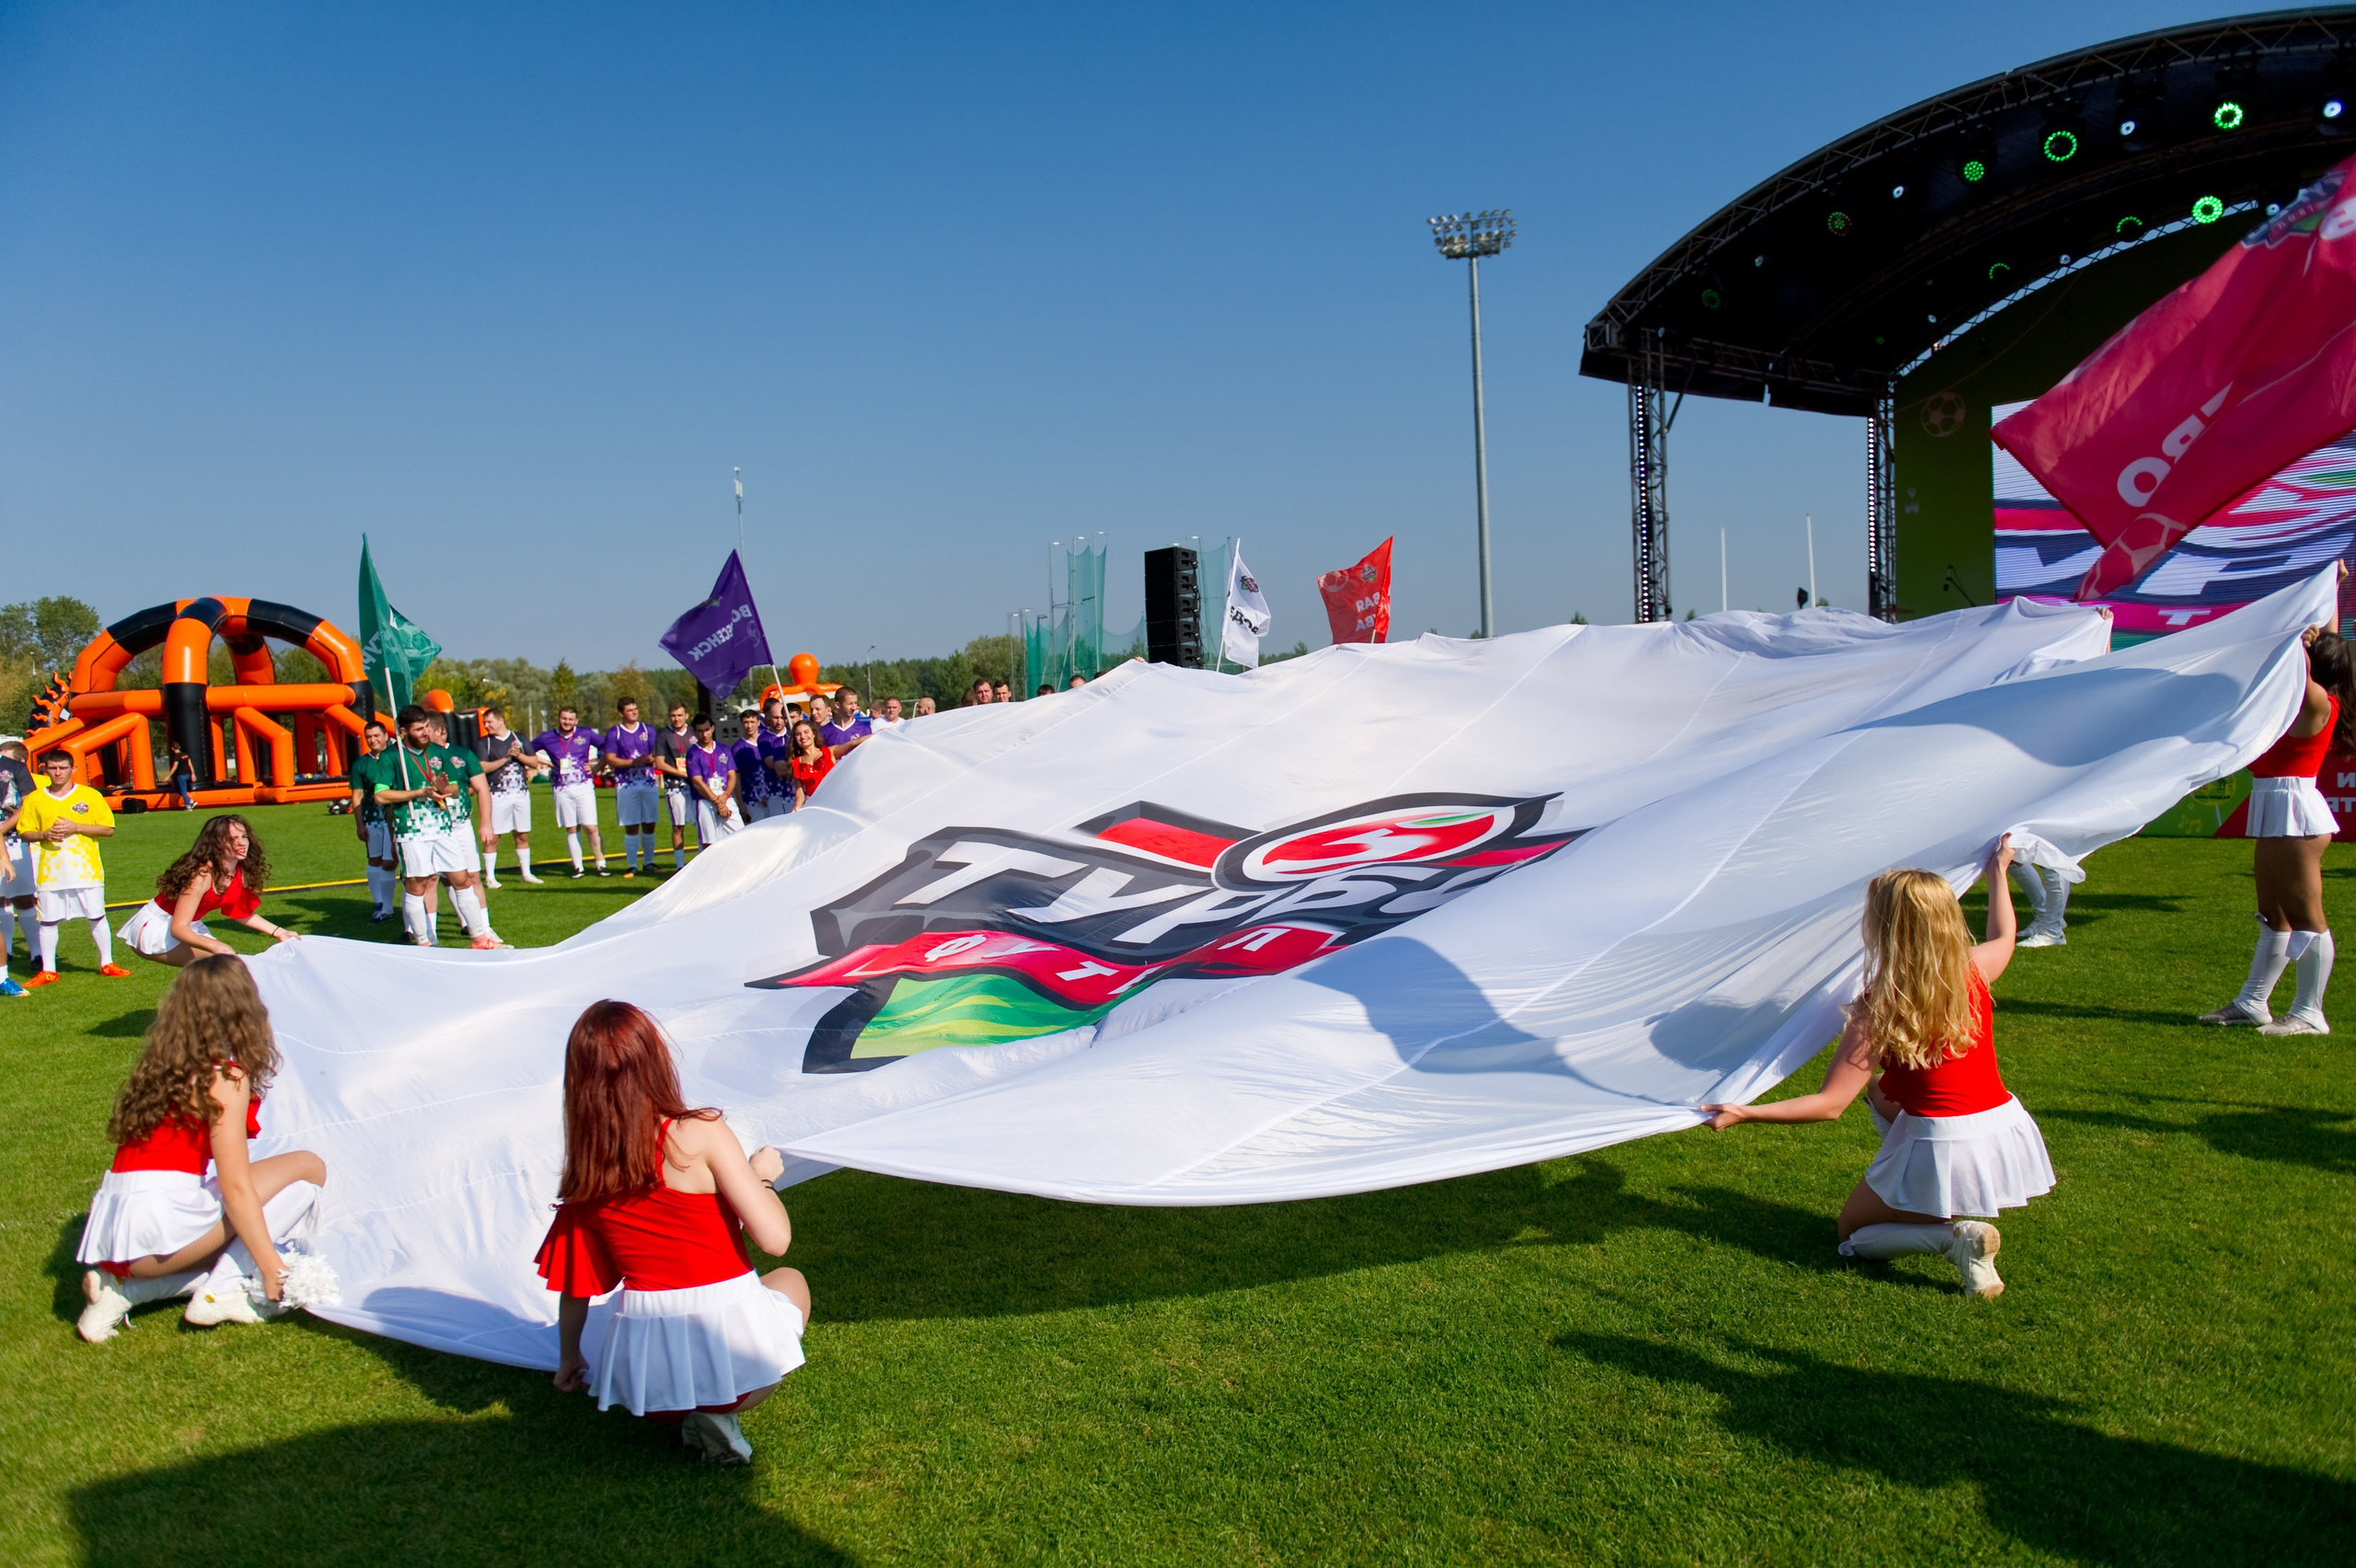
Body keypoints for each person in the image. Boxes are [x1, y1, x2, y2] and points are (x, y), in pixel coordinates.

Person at [1702, 841, 2051, 1298]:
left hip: (1943, 1141)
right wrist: (1998, 873)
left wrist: (1747, 1112)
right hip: (2002, 1122)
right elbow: (2005, 936)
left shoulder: (1878, 1009)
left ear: (1882, 928)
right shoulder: (1972, 970)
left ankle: (1954, 1239)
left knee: (1851, 1237)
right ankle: (1932, 1207)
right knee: (1883, 1091)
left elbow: (1829, 1105)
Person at [537, 1000, 808, 1465]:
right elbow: (775, 1238)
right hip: (740, 1366)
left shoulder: (588, 1170)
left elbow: (576, 1284)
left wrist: (570, 1359)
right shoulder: (700, 1132)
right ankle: (720, 1413)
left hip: (647, 1385)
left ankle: (692, 1414)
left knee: (650, 1337)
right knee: (790, 1279)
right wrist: (760, 1177)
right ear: (655, 1060)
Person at [75, 955, 329, 1338]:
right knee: (307, 1170)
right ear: (244, 1007)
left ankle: (126, 1292)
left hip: (118, 1240)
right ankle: (223, 1291)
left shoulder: (164, 1064)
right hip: (160, 1230)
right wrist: (272, 1265)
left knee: (259, 1199)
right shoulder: (224, 1076)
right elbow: (236, 1186)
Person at [2202, 622, 2356, 1033]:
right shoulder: (2302, 699)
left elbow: (2295, 670)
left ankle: (2309, 1012)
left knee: (2307, 916)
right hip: (2275, 805)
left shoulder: (2318, 700)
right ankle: (2253, 1002)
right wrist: (2331, 589)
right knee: (2274, 915)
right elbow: (2316, 645)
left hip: (2296, 812)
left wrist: (2296, 641)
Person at [361, 705, 499, 950]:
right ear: (403, 731)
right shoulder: (392, 757)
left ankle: (479, 938)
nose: (426, 732)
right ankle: (423, 941)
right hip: (411, 829)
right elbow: (381, 795)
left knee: (462, 878)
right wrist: (419, 792)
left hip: (443, 826)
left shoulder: (437, 752)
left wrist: (444, 788)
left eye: (426, 727)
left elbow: (455, 788)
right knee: (418, 884)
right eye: (419, 729)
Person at [119, 815, 300, 965]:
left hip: (188, 926)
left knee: (226, 970)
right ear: (216, 844)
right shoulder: (202, 875)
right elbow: (178, 928)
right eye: (232, 839)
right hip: (158, 928)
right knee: (229, 965)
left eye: (243, 837)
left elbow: (241, 913)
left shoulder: (240, 871)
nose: (241, 843)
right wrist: (214, 945)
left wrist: (280, 932)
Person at [17, 747, 129, 986]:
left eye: (63, 768)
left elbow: (108, 829)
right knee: (47, 920)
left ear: (73, 769)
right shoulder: (36, 799)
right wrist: (45, 834)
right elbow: (24, 832)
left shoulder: (90, 796)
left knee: (97, 916)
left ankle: (107, 963)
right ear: (44, 769)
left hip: (86, 869)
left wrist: (75, 827)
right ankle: (48, 970)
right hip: (49, 870)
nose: (57, 773)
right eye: (53, 768)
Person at [476, 708, 548, 886]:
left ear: (501, 721)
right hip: (497, 794)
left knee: (522, 834)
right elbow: (482, 767)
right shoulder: (485, 743)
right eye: (485, 722)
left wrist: (518, 755)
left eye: (489, 722)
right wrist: (505, 759)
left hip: (521, 794)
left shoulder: (519, 738)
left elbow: (533, 762)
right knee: (493, 836)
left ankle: (526, 872)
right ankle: (490, 876)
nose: (486, 726)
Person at [533, 708, 607, 878]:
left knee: (591, 827)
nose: (567, 722)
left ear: (576, 720)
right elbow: (528, 751)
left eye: (570, 719)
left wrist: (596, 767)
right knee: (572, 828)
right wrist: (547, 762)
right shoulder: (547, 737)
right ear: (559, 719)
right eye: (564, 718)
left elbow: (607, 748)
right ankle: (578, 867)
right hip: (561, 788)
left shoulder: (586, 733)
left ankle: (601, 863)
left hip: (583, 785)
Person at [349, 720, 400, 922]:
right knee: (375, 859)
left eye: (376, 735)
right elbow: (357, 795)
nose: (373, 740)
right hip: (372, 818)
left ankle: (411, 902)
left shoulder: (397, 758)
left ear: (386, 736)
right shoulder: (361, 764)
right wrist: (359, 824)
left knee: (391, 860)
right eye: (369, 737)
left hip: (396, 817)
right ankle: (380, 903)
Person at [603, 698, 662, 876]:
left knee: (649, 823)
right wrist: (632, 762)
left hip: (648, 782)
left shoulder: (648, 730)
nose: (634, 712)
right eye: (629, 710)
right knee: (631, 825)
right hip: (626, 785)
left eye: (635, 709)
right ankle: (632, 865)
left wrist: (648, 759)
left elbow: (656, 753)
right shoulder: (615, 733)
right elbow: (610, 758)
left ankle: (649, 862)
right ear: (621, 713)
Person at [0, 738, 36, 997]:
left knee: (22, 897)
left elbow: (30, 804)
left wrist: (5, 829)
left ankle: (35, 955)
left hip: (13, 840)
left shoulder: (13, 767)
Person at [653, 700, 699, 870]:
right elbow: (659, 763)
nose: (677, 719)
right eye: (673, 715)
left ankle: (701, 861)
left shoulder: (695, 732)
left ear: (686, 715)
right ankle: (680, 866)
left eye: (680, 715)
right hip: (675, 786)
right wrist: (682, 773)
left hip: (696, 786)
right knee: (678, 825)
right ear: (668, 716)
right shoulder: (663, 735)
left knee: (701, 823)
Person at [686, 714, 742, 842]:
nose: (704, 734)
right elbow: (697, 782)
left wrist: (725, 796)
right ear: (695, 732)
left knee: (740, 835)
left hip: (726, 797)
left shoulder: (724, 749)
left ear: (712, 728)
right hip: (706, 800)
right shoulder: (693, 754)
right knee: (709, 842)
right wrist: (717, 802)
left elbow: (732, 775)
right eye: (700, 731)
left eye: (706, 730)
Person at [745, 699, 795, 822]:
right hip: (775, 791)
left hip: (795, 790)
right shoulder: (764, 739)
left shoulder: (795, 735)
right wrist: (800, 765)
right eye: (775, 717)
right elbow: (772, 764)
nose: (779, 721)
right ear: (768, 717)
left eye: (781, 717)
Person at [788, 718, 833, 809]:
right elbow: (800, 791)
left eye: (806, 732)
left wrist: (870, 737)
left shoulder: (830, 752)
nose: (803, 736)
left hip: (833, 800)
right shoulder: (796, 763)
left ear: (814, 734)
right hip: (814, 805)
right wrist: (797, 806)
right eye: (798, 734)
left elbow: (853, 744)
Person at [819, 688, 872, 760]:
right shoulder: (823, 731)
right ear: (838, 705)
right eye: (850, 704)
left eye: (855, 703)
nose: (854, 708)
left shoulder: (864, 730)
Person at [164, 742, 196, 810]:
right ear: (179, 747)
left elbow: (175, 767)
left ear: (172, 749)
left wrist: (168, 776)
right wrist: (193, 774)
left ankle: (188, 806)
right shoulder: (186, 755)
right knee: (179, 789)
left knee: (183, 791)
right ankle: (190, 801)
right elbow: (190, 765)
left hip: (181, 775)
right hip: (187, 774)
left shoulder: (177, 756)